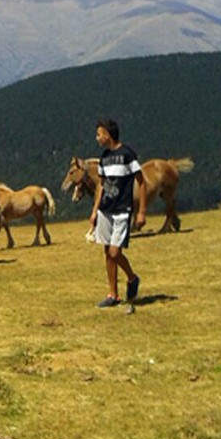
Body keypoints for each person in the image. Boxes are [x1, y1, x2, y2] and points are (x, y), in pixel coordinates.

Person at [88, 119, 145, 308]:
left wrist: (141, 212)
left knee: (114, 251)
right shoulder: (104, 157)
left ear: (108, 135)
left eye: (99, 134)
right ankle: (113, 294)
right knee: (107, 251)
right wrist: (95, 211)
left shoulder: (127, 154)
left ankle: (132, 277)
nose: (97, 138)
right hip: (106, 210)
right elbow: (101, 186)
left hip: (122, 210)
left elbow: (141, 181)